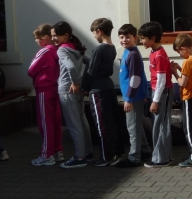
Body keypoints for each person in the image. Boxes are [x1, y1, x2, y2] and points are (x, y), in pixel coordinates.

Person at [52, 21, 94, 169]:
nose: (53, 38)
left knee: (74, 125)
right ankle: (88, 153)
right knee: (82, 122)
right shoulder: (76, 48)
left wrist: (75, 82)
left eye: (55, 35)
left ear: (66, 35)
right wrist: (83, 82)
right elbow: (90, 62)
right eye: (52, 36)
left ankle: (80, 157)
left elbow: (70, 66)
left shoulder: (62, 50)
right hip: (78, 90)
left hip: (67, 90)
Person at [82, 18, 123, 166]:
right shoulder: (112, 48)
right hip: (108, 87)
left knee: (102, 124)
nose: (94, 36)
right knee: (111, 122)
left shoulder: (99, 49)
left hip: (98, 89)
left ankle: (107, 156)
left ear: (99, 31)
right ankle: (115, 152)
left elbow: (91, 71)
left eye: (94, 33)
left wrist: (83, 86)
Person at [115, 24, 151, 168]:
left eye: (128, 37)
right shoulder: (128, 52)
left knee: (132, 127)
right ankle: (144, 150)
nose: (124, 40)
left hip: (133, 97)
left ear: (135, 38)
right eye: (121, 37)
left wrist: (129, 99)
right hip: (133, 96)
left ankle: (134, 157)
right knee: (136, 125)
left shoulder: (133, 54)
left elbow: (135, 78)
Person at [138, 21, 173, 168]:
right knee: (159, 124)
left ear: (152, 38)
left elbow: (161, 80)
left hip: (162, 92)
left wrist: (155, 101)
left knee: (161, 125)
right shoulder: (154, 52)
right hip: (157, 91)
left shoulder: (159, 55)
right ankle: (163, 156)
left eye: (143, 38)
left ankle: (161, 159)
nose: (141, 41)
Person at [28, 23, 62, 166]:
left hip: (44, 89)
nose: (36, 41)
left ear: (46, 37)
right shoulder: (58, 50)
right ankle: (57, 151)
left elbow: (31, 70)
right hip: (55, 88)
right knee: (55, 121)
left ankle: (47, 154)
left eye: (38, 38)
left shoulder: (44, 51)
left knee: (45, 123)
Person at [171, 33, 192, 167]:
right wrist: (180, 69)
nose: (180, 54)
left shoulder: (187, 61)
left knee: (188, 128)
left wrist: (174, 73)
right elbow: (191, 76)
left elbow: (182, 83)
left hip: (188, 96)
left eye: (179, 51)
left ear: (183, 48)